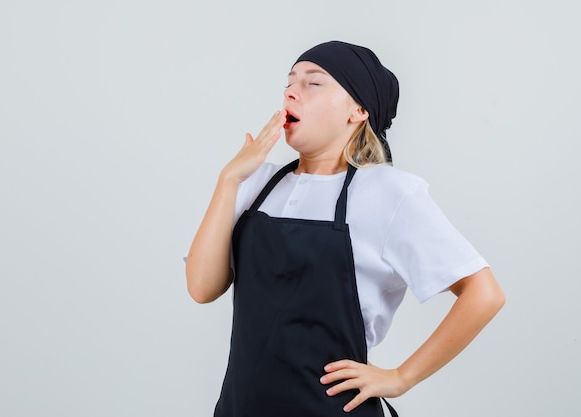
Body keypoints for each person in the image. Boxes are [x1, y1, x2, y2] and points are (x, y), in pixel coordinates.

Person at [185, 40, 505, 417]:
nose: (291, 91)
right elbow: (202, 288)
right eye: (289, 82)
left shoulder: (387, 193)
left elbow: (484, 293)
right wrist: (228, 179)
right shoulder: (255, 184)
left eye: (313, 83)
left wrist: (401, 377)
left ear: (357, 110)